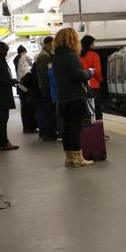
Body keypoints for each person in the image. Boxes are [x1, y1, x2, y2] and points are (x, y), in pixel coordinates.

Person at [51, 28, 95, 167]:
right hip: (75, 97)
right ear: (72, 40)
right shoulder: (71, 56)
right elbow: (77, 75)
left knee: (67, 128)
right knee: (75, 128)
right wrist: (88, 73)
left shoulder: (56, 57)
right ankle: (78, 158)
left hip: (63, 97)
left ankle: (69, 158)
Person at [34, 36, 58, 141]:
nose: (54, 46)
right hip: (47, 86)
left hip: (45, 86)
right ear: (49, 44)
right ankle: (48, 133)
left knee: (47, 110)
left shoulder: (45, 55)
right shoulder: (45, 56)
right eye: (53, 44)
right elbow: (47, 73)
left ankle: (47, 132)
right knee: (48, 110)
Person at [13, 45, 37, 133]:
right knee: (27, 109)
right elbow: (27, 78)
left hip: (21, 88)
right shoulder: (24, 66)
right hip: (25, 89)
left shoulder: (17, 62)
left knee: (25, 109)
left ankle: (27, 127)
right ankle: (29, 127)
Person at [80, 35, 104, 122]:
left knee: (86, 109)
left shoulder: (78, 55)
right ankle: (98, 130)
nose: (94, 44)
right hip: (93, 85)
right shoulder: (94, 55)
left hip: (82, 86)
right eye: (93, 43)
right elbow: (97, 71)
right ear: (90, 44)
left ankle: (88, 130)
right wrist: (100, 79)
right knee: (97, 109)